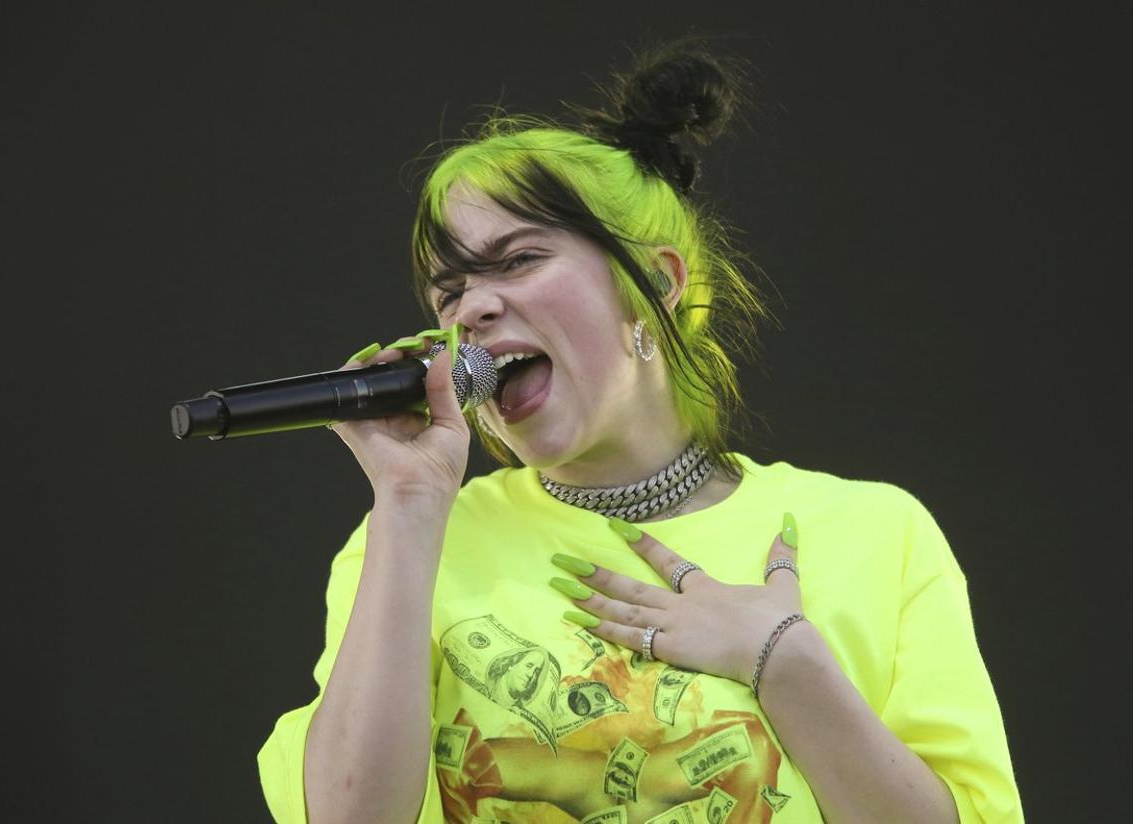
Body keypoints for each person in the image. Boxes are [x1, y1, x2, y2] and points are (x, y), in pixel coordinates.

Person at [257, 42, 1023, 824]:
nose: (470, 311)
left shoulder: (876, 533)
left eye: (517, 261)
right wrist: (411, 505)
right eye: (448, 291)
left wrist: (786, 660)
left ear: (655, 284)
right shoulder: (410, 541)